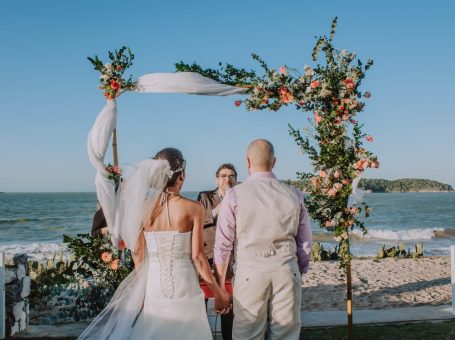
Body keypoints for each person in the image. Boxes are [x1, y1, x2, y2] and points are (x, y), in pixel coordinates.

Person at [79, 148, 230, 339]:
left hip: (153, 283)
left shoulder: (143, 208)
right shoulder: (194, 208)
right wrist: (218, 292)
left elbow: (139, 254)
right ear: (181, 175)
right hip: (184, 282)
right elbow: (198, 257)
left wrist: (140, 293)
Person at [214, 139, 313, 340]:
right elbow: (305, 242)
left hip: (250, 274)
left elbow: (223, 245)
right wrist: (298, 269)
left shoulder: (234, 195)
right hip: (286, 270)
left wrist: (221, 286)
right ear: (274, 162)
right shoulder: (294, 194)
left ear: (247, 162)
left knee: (247, 336)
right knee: (286, 335)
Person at [197, 163, 237, 340]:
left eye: (231, 176)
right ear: (217, 179)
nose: (227, 179)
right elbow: (197, 221)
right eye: (223, 176)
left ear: (236, 179)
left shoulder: (240, 196)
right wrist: (216, 211)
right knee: (201, 304)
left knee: (229, 304)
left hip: (230, 259)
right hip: (207, 258)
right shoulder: (205, 197)